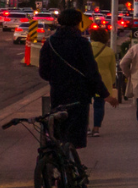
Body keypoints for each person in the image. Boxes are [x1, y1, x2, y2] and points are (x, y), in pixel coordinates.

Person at [38, 8, 115, 149]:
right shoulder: (82, 43)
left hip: (58, 92)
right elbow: (92, 73)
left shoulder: (50, 43)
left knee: (59, 129)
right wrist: (105, 94)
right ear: (78, 23)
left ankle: (60, 162)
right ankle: (72, 164)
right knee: (74, 135)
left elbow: (43, 71)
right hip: (79, 94)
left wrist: (56, 79)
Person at [89, 26, 117, 136]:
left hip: (87, 80)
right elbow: (112, 69)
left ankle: (85, 127)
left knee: (85, 104)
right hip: (104, 80)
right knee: (99, 104)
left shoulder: (87, 48)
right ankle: (96, 128)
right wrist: (112, 82)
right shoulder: (109, 51)